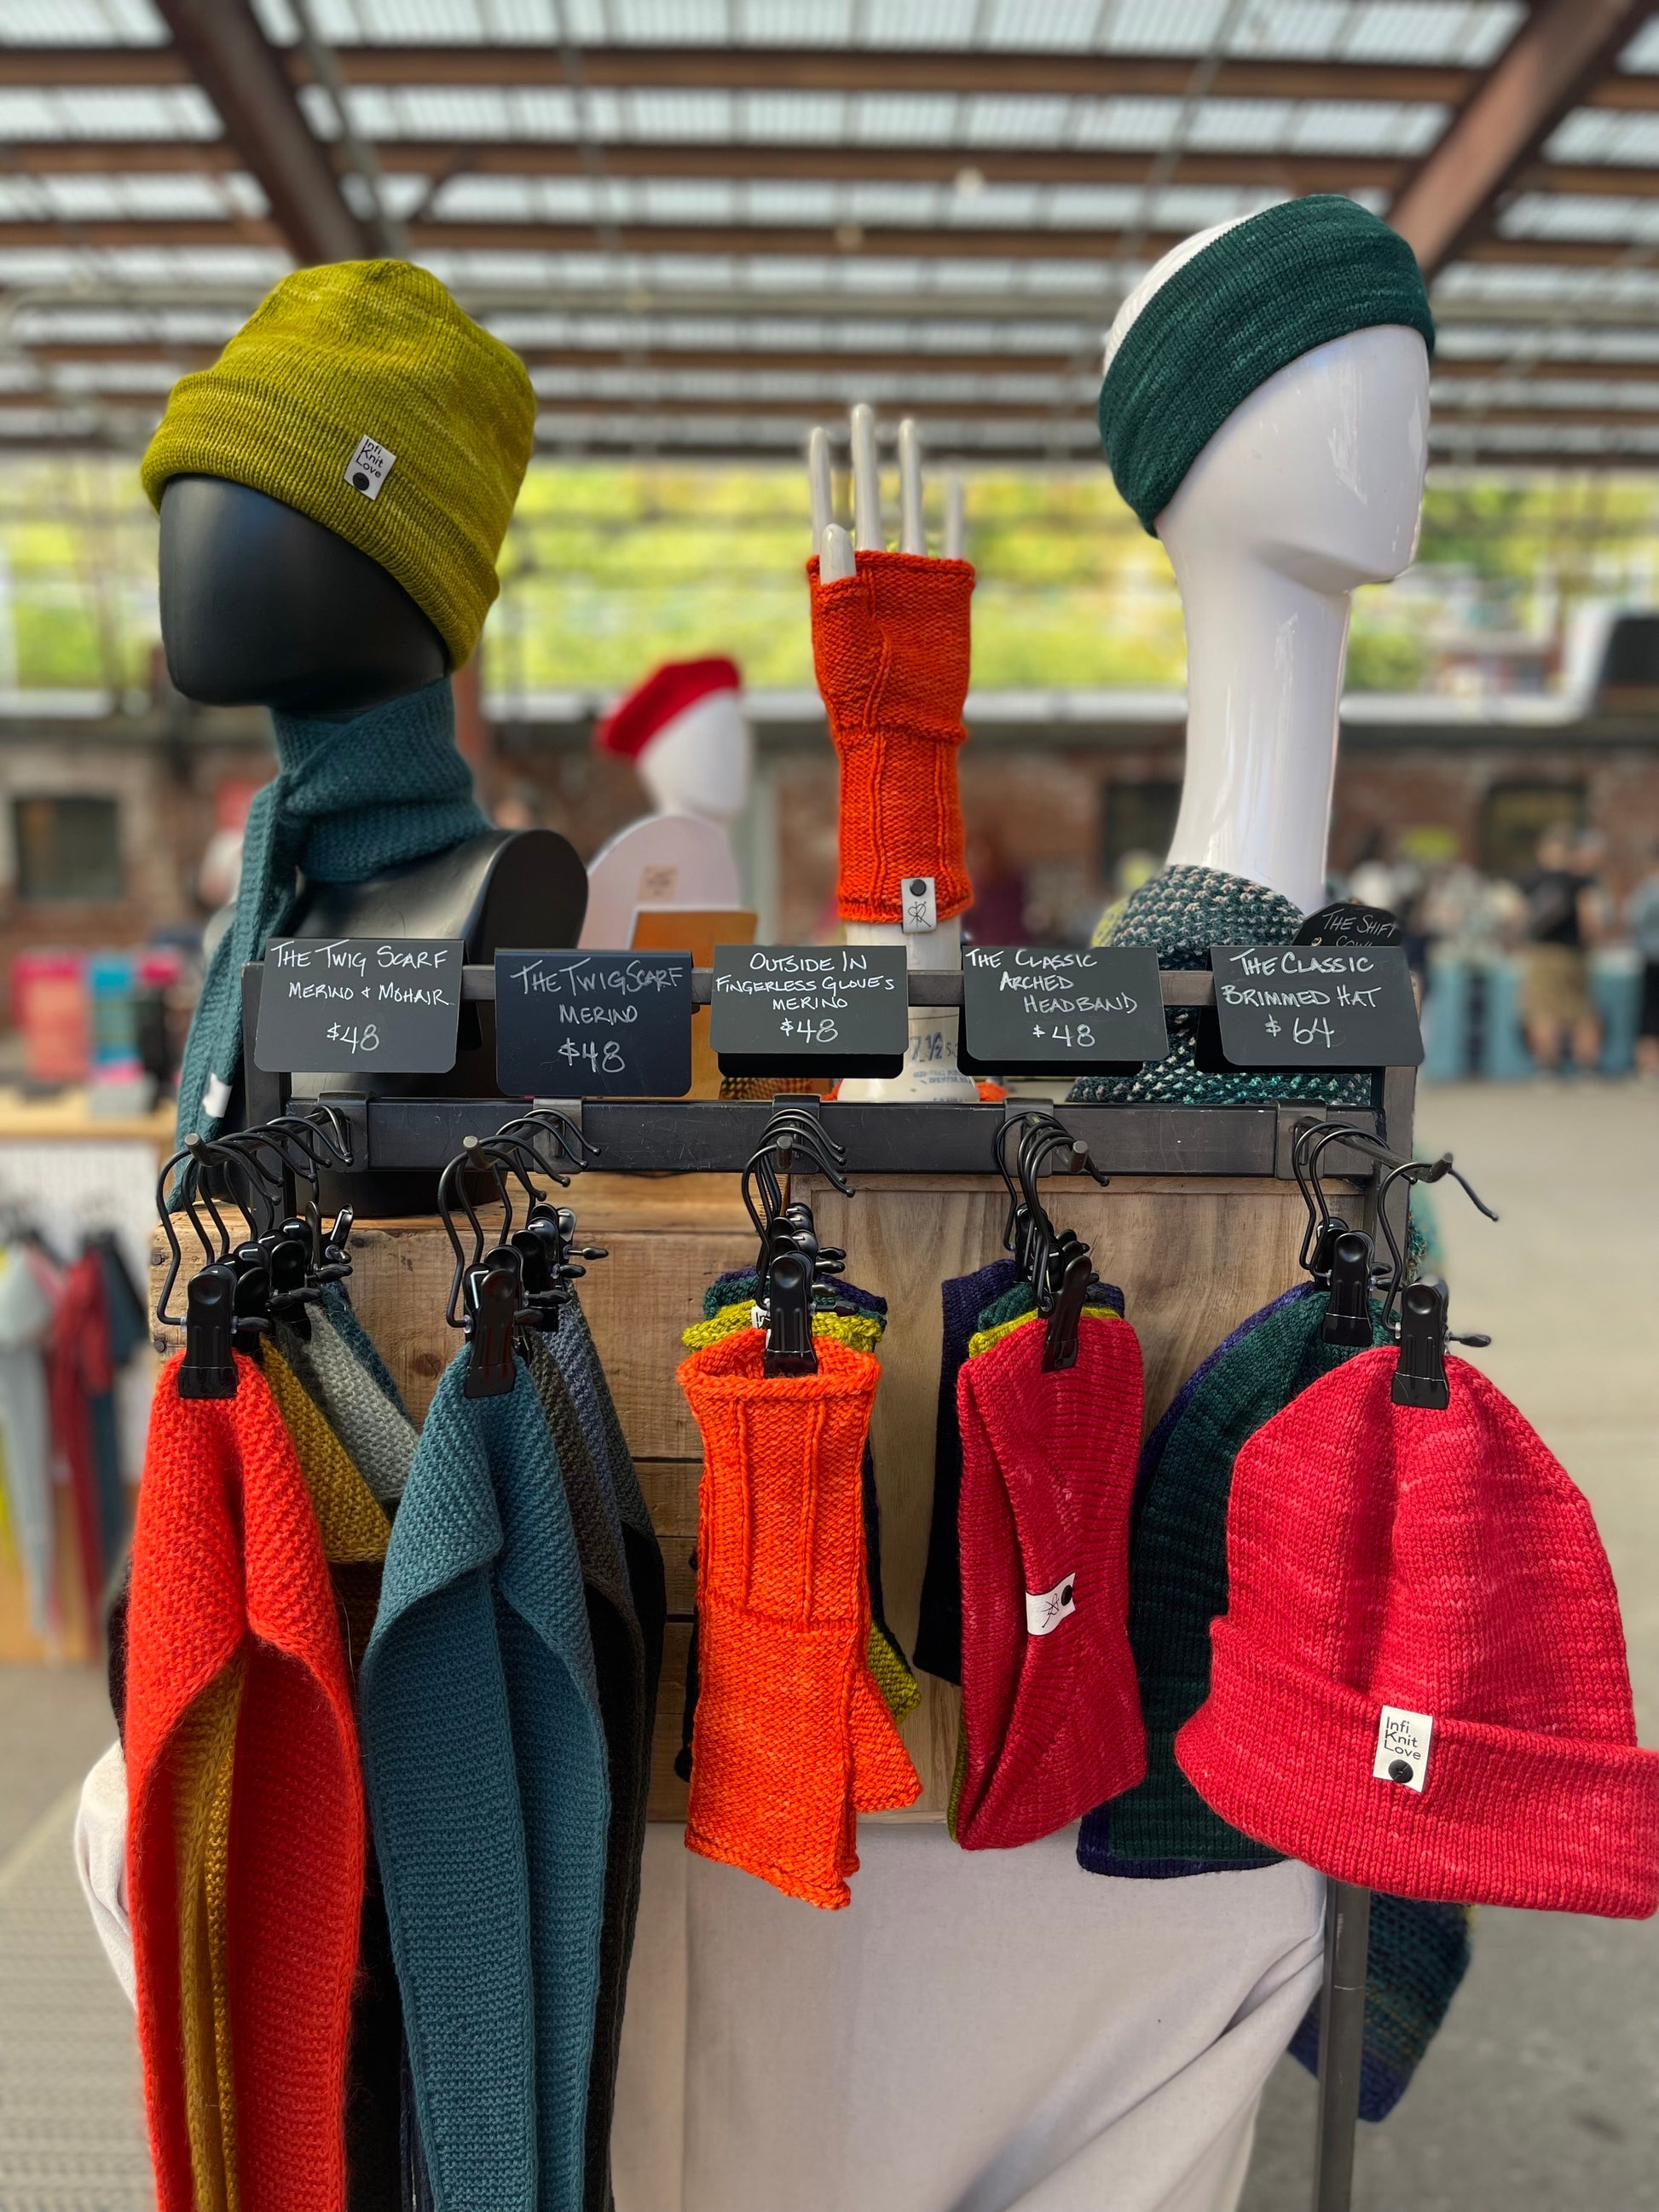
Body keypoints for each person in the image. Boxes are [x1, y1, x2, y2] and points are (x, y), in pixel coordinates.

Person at [1519, 824, 1604, 1074]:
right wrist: (1589, 946)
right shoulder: (1581, 881)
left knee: (1542, 1010)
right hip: (1574, 953)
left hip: (1543, 952)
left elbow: (1518, 917)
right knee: (1582, 1009)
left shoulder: (1532, 880)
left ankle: (1548, 1067)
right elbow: (1591, 918)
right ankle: (1587, 1066)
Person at [1628, 842, 1659, 1077]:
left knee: (1649, 1013)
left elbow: (1633, 922)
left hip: (1652, 958)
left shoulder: (1649, 891)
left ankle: (1648, 1066)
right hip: (1652, 958)